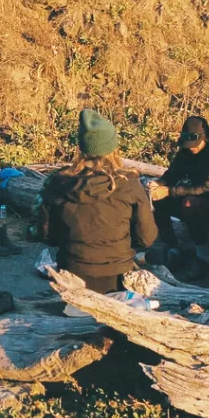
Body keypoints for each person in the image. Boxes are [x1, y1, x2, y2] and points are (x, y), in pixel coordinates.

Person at [37, 109, 158, 293]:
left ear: (82, 149)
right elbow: (146, 238)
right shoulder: (129, 184)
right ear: (113, 148)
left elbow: (47, 235)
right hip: (118, 274)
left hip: (73, 271)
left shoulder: (58, 183)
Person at [149, 116, 209, 276]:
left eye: (195, 145)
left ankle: (202, 258)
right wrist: (159, 183)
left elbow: (207, 187)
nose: (191, 148)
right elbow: (173, 172)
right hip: (195, 192)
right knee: (160, 200)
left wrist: (170, 191)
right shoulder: (186, 150)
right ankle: (172, 248)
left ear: (205, 138)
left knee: (190, 204)